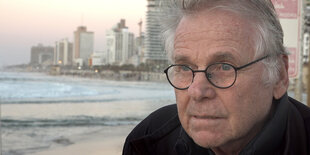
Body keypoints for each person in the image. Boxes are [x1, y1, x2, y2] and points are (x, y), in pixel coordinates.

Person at [123, 0, 310, 154]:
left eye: (224, 67)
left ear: (279, 75)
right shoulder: (149, 141)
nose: (196, 91)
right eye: (185, 67)